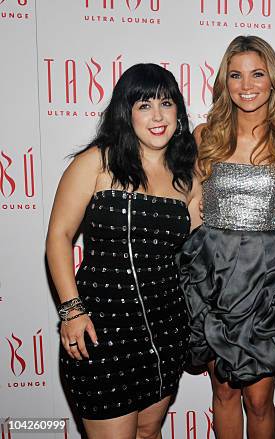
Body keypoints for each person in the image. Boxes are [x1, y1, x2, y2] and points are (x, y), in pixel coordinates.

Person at [46, 63, 200, 439]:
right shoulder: (97, 162)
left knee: (149, 433)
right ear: (125, 112)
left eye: (166, 103)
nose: (158, 115)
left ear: (178, 111)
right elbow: (58, 236)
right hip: (100, 332)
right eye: (144, 105)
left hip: (166, 330)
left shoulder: (188, 177)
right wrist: (71, 310)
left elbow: (202, 250)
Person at [177, 35, 275, 439]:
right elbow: (192, 203)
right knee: (222, 391)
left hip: (267, 279)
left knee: (258, 399)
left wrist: (265, 215)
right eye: (235, 75)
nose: (246, 84)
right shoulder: (205, 135)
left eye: (257, 74)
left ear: (272, 80)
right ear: (224, 82)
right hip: (215, 275)